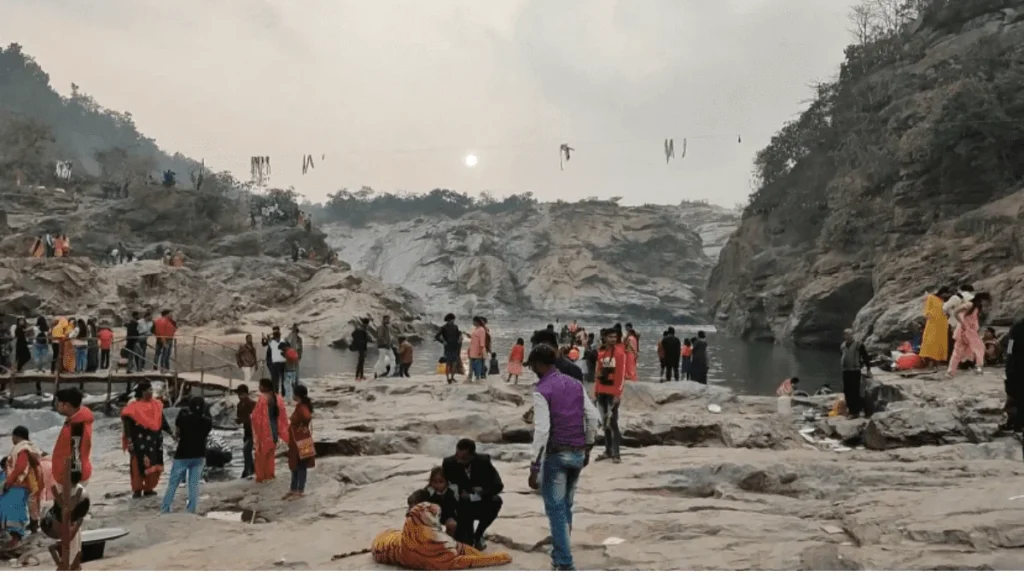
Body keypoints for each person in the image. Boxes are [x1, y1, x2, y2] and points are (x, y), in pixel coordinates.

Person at [527, 344, 601, 571]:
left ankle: (565, 562)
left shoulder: (542, 390)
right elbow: (593, 417)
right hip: (578, 452)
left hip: (556, 454)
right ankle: (560, 552)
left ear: (540, 364)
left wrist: (534, 465)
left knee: (556, 509)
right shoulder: (575, 384)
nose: (533, 370)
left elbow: (542, 431)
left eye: (533, 366)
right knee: (567, 504)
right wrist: (588, 446)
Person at [371, 490, 512, 570]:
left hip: (393, 537)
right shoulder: (420, 536)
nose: (434, 507)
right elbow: (458, 561)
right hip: (404, 544)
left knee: (458, 544)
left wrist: (479, 555)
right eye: (427, 508)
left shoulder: (417, 524)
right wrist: (493, 559)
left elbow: (461, 547)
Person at [441, 439, 504, 550]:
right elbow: (442, 486)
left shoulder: (483, 461)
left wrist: (481, 492)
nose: (459, 460)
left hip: (480, 501)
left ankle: (479, 534)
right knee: (466, 546)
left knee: (496, 501)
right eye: (457, 456)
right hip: (460, 507)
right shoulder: (449, 463)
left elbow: (498, 485)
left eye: (463, 458)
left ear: (472, 456)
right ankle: (466, 536)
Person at [161, 396, 212, 514]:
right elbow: (206, 433)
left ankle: (165, 509)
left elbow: (178, 433)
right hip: (199, 455)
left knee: (173, 483)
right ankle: (191, 509)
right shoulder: (207, 421)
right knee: (193, 484)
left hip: (182, 454)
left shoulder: (183, 419)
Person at [121, 382, 172, 498]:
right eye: (148, 390)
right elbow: (127, 425)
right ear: (142, 392)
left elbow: (162, 421)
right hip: (138, 442)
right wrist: (129, 441)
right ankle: (137, 490)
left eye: (151, 389)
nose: (150, 392)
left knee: (155, 465)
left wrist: (170, 432)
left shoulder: (157, 405)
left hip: (154, 442)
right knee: (137, 466)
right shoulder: (133, 407)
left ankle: (149, 488)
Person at [1, 426, 44, 549]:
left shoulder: (23, 449)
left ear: (15, 436)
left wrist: (8, 481)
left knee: (13, 509)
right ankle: (21, 531)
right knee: (13, 507)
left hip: (19, 484)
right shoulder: (29, 448)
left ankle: (16, 537)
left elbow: (20, 467)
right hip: (23, 484)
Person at [595, 329, 627, 463]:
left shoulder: (620, 354)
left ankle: (617, 454)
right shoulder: (601, 354)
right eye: (610, 337)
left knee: (613, 423)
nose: (613, 339)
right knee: (604, 423)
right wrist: (596, 391)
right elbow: (597, 374)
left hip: (612, 393)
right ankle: (608, 451)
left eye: (615, 337)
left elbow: (621, 375)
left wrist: (617, 394)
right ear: (604, 338)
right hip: (601, 392)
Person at [252, 378, 289, 482]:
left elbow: (256, 417)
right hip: (275, 431)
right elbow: (282, 417)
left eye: (260, 385)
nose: (259, 387)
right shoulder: (278, 398)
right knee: (270, 455)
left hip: (265, 431)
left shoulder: (262, 399)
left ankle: (261, 477)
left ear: (265, 387)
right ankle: (269, 475)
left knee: (260, 456)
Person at [410, 467, 460, 537]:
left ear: (447, 482)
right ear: (431, 482)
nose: (437, 485)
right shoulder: (429, 490)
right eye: (435, 482)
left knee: (452, 525)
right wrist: (413, 502)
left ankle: (449, 540)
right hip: (433, 516)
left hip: (449, 515)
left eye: (441, 482)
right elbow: (417, 495)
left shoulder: (452, 490)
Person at [948, 293, 989, 377]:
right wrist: (962, 323)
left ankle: (977, 369)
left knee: (978, 349)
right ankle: (951, 372)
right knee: (958, 351)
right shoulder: (970, 305)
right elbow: (956, 312)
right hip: (964, 331)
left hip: (971, 332)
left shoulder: (977, 307)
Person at [286, 384, 315, 500]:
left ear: (297, 395)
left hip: (302, 439)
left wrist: (300, 425)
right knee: (294, 465)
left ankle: (300, 490)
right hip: (297, 439)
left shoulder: (302, 407)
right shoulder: (301, 406)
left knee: (301, 466)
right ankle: (293, 489)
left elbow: (307, 417)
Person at [840, 328, 872, 418]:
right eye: (846, 334)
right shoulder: (842, 345)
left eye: (850, 334)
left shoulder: (858, 345)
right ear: (844, 336)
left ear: (853, 335)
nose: (848, 336)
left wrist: (868, 369)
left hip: (855, 370)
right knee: (847, 391)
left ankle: (855, 412)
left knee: (855, 391)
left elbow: (865, 356)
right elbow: (842, 355)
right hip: (846, 371)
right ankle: (851, 410)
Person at [919, 287, 951, 367]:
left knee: (939, 343)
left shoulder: (942, 301)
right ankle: (929, 361)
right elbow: (927, 310)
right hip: (933, 324)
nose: (947, 295)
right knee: (930, 342)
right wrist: (929, 316)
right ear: (942, 292)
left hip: (942, 325)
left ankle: (936, 362)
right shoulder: (931, 297)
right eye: (946, 293)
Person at [235, 384, 256, 479]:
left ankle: (248, 471)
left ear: (246, 394)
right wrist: (237, 421)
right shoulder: (239, 405)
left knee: (246, 450)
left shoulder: (253, 404)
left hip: (253, 431)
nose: (240, 397)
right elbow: (239, 419)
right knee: (247, 451)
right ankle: (251, 468)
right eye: (239, 395)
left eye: (242, 395)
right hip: (246, 431)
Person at [435, 314, 462, 384]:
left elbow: (458, 334)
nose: (454, 320)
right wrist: (443, 341)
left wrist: (460, 338)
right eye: (453, 319)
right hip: (448, 347)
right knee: (448, 363)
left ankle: (452, 377)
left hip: (455, 347)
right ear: (450, 319)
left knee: (455, 363)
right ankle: (448, 378)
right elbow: (436, 336)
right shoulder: (443, 328)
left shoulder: (456, 327)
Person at [467, 317, 487, 382]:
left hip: (478, 350)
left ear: (477, 322)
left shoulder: (481, 330)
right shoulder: (476, 329)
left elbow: (482, 341)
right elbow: (474, 337)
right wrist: (469, 336)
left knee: (478, 365)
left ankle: (477, 378)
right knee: (471, 364)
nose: (473, 323)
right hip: (472, 349)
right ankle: (470, 377)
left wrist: (480, 351)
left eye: (473, 321)